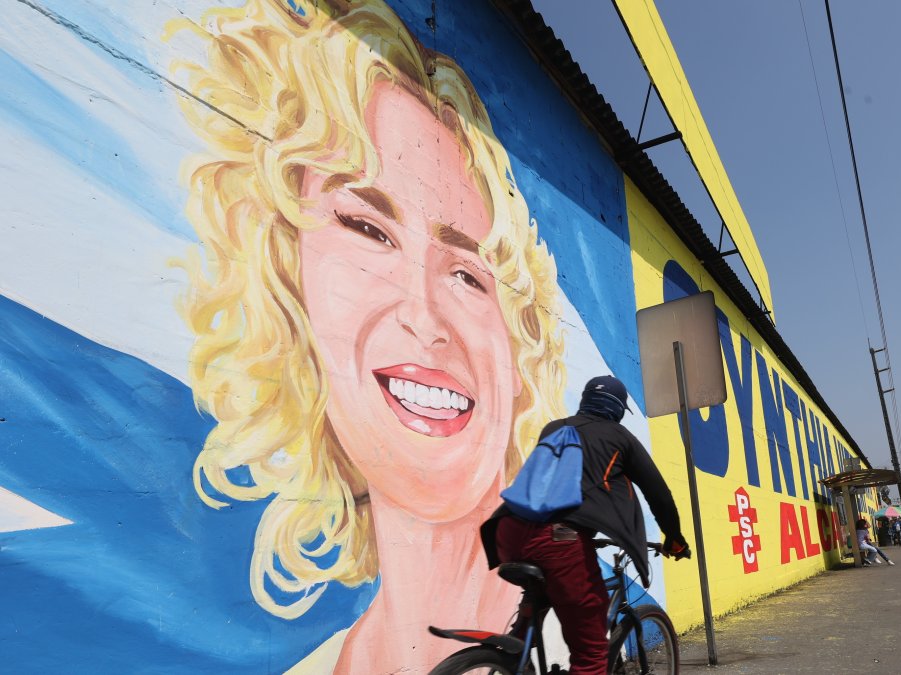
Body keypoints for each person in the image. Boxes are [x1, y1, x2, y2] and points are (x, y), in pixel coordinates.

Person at [173, 1, 567, 671]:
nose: (424, 317)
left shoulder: (569, 642)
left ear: (518, 342)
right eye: (367, 229)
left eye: (468, 273)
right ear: (287, 283)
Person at [482, 376, 690, 675]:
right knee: (591, 652)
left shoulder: (555, 428)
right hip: (558, 540)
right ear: (617, 409)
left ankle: (514, 650)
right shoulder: (620, 437)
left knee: (546, 592)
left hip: (507, 529)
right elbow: (658, 494)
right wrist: (674, 539)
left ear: (585, 401)